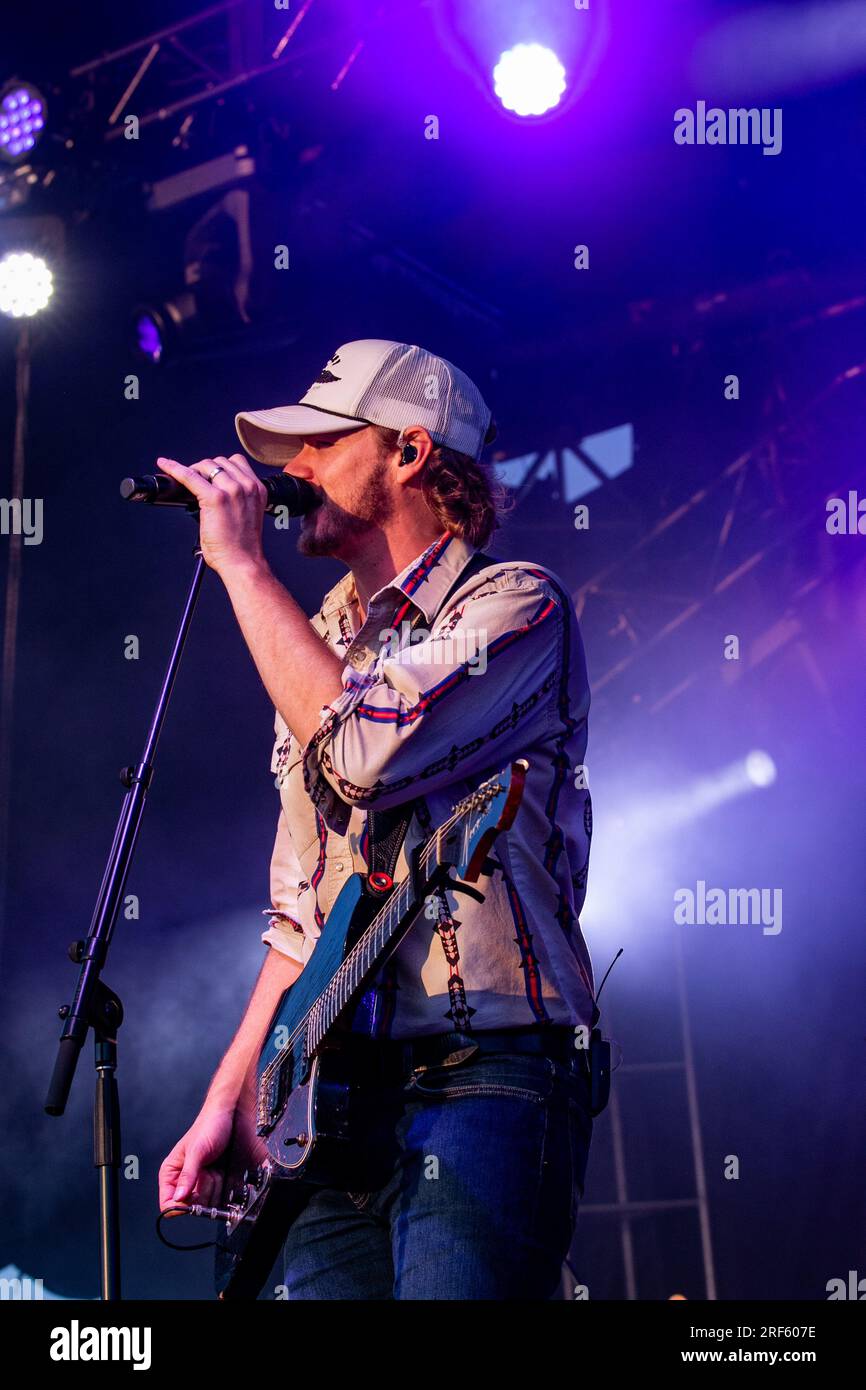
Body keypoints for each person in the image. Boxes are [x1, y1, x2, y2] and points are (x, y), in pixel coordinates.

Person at [157, 338, 596, 1299]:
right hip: (327, 1093)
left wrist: (238, 566)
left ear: (408, 453)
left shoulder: (517, 606)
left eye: (320, 443)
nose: (293, 470)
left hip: (486, 1072)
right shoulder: (315, 640)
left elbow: (363, 756)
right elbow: (299, 918)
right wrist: (229, 1098)